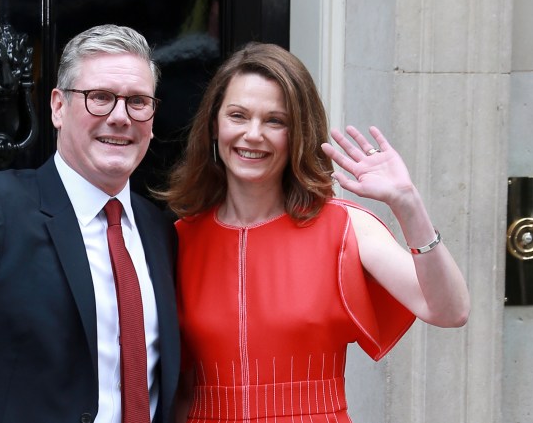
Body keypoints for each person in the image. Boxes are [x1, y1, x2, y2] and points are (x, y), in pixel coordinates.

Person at [157, 42, 470, 423]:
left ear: (298, 133)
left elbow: (450, 310)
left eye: (275, 121)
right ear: (213, 124)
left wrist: (408, 204)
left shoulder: (344, 226)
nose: (253, 134)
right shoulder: (179, 239)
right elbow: (181, 388)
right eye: (238, 115)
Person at [0, 24, 180, 423]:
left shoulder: (160, 231)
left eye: (138, 101)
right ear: (58, 107)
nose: (120, 117)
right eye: (100, 98)